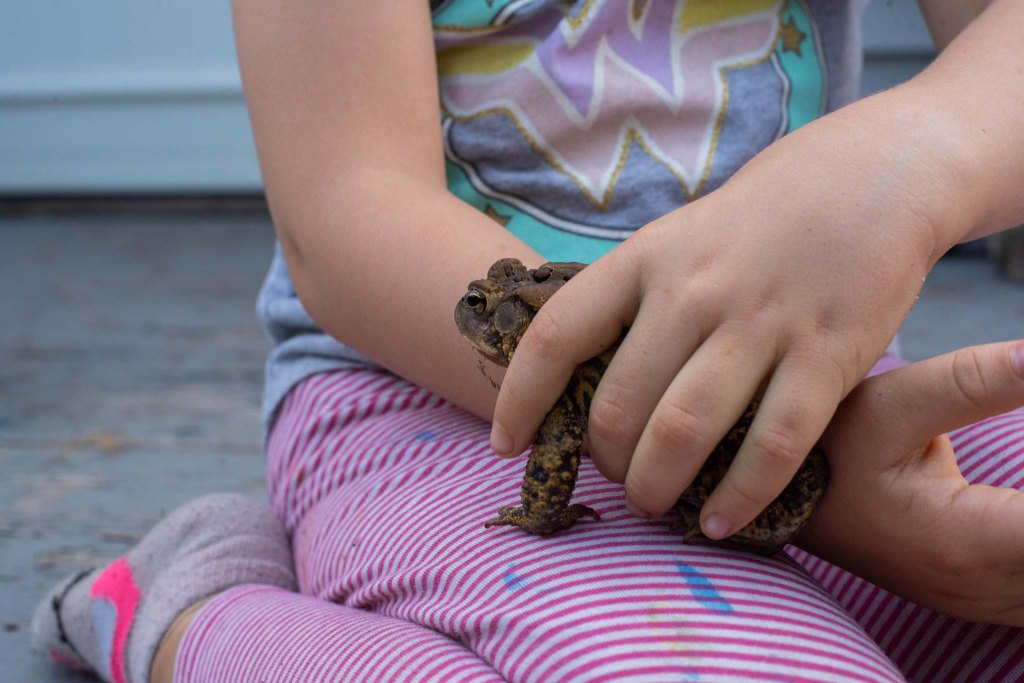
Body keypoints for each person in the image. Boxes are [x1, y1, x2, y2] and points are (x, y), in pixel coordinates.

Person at [31, 0, 1024, 680]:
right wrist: (778, 475)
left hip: (813, 385)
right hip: (424, 393)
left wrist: (917, 150)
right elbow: (345, 210)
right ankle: (200, 611)